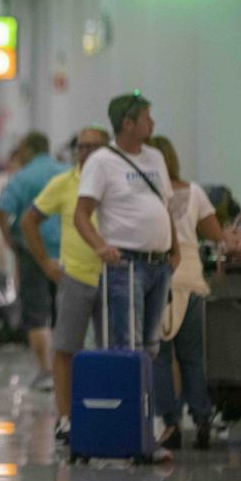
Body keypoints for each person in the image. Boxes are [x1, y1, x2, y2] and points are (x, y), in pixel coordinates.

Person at [75, 92, 179, 461]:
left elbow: (165, 207)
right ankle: (134, 429)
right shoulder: (102, 162)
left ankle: (145, 424)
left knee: (151, 347)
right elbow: (81, 215)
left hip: (157, 263)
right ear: (128, 123)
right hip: (126, 265)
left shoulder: (155, 158)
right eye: (147, 118)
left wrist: (174, 248)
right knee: (128, 345)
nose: (153, 124)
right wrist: (101, 246)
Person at [21, 127, 111, 443]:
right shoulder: (64, 184)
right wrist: (45, 261)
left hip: (114, 277)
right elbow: (28, 220)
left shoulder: (116, 182)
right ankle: (64, 417)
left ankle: (107, 413)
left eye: (93, 147)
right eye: (81, 147)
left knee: (111, 349)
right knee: (66, 348)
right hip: (76, 276)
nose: (86, 153)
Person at [147, 135, 225, 450]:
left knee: (162, 357)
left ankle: (170, 423)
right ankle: (203, 418)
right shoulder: (194, 193)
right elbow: (216, 235)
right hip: (191, 278)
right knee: (192, 356)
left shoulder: (148, 197)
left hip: (160, 278)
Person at [0, 132, 67, 391]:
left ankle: (46, 371)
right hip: (66, 252)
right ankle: (66, 369)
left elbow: (3, 209)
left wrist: (9, 241)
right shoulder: (66, 171)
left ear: (27, 149)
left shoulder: (22, 177)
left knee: (37, 315)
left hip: (32, 252)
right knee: (65, 314)